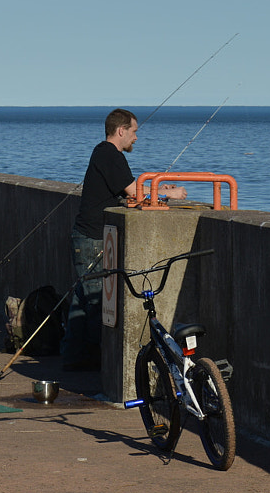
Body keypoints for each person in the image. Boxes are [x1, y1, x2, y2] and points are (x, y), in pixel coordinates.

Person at [62, 108, 184, 372]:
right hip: (92, 239)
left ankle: (72, 357)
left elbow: (127, 191)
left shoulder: (103, 153)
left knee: (83, 298)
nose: (136, 138)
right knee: (96, 303)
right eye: (134, 131)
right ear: (121, 131)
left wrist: (159, 190)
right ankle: (98, 363)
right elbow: (135, 192)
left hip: (87, 236)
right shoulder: (110, 155)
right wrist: (168, 194)